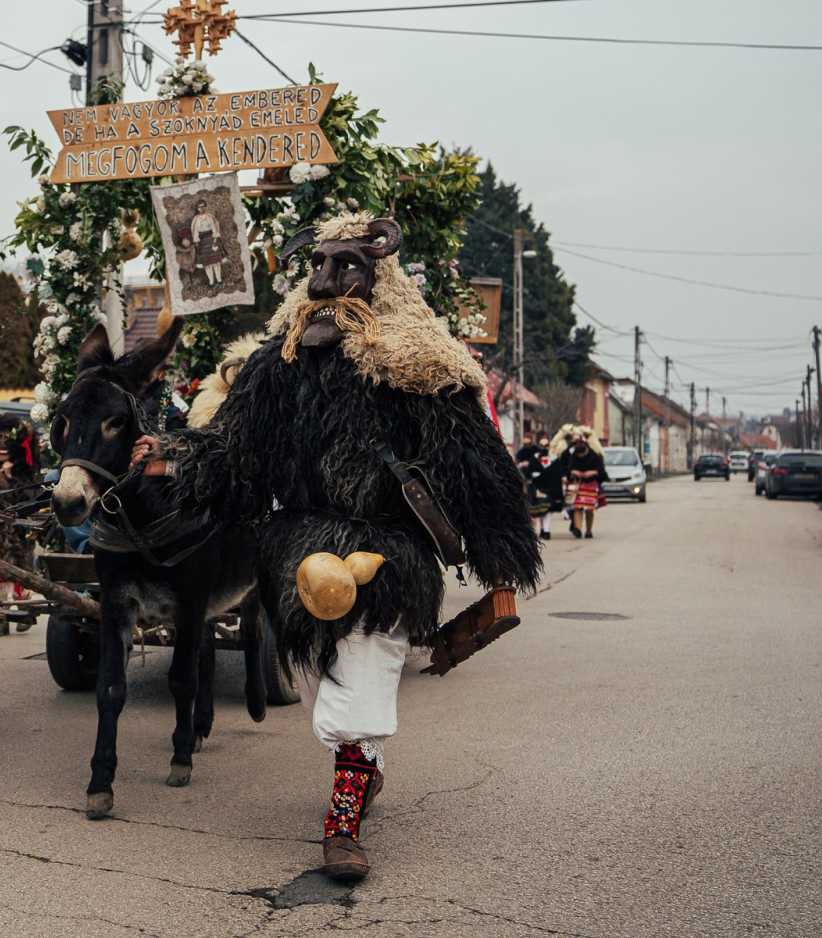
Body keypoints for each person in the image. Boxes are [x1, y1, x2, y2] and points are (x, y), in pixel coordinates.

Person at [146, 212, 541, 882]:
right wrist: (177, 456)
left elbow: (474, 463)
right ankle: (367, 767)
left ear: (374, 277)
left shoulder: (419, 368)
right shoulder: (279, 365)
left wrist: (498, 553)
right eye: (319, 266)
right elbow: (237, 452)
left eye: (345, 267)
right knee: (316, 690)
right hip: (296, 551)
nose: (327, 281)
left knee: (356, 693)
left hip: (387, 553)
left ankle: (343, 823)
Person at [0, 415, 40, 637]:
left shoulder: (26, 472)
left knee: (23, 569)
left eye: (7, 438)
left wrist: (12, 476)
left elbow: (31, 499)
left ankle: (24, 612)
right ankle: (1, 619)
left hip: (21, 531)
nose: (2, 443)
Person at [515, 430, 563, 540]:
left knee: (548, 509)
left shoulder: (554, 458)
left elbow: (557, 474)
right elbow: (529, 472)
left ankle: (546, 530)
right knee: (540, 509)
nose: (544, 448)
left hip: (550, 487)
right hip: (537, 487)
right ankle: (542, 530)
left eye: (546, 445)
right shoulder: (534, 457)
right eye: (542, 445)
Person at [562, 428, 606, 539]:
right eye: (578, 455)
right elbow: (568, 468)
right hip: (577, 484)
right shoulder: (573, 455)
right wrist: (573, 471)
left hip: (591, 483)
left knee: (589, 509)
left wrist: (593, 472)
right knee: (577, 507)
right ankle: (578, 529)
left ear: (586, 450)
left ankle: (589, 531)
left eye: (581, 455)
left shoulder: (595, 456)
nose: (580, 457)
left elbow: (602, 472)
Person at [186, 198, 225, 287]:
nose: (201, 209)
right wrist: (196, 242)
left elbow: (215, 228)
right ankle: (211, 281)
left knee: (216, 262)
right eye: (199, 207)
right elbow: (195, 231)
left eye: (203, 207)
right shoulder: (196, 219)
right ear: (197, 209)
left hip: (211, 239)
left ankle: (219, 280)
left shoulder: (210, 217)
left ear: (206, 207)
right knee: (207, 264)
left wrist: (215, 240)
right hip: (202, 243)